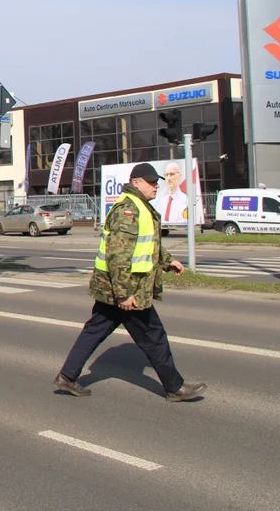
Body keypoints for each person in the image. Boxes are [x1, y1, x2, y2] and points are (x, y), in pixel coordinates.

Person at [54, 162, 206, 402]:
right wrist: (124, 294)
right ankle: (175, 387)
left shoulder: (139, 206)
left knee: (93, 332)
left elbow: (146, 246)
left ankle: (67, 376)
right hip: (128, 290)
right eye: (151, 182)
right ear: (136, 183)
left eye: (157, 182)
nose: (156, 186)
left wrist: (168, 262)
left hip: (116, 288)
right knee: (154, 337)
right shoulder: (129, 210)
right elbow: (118, 256)